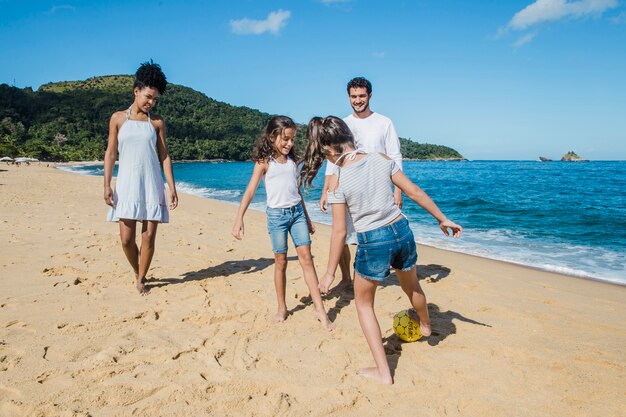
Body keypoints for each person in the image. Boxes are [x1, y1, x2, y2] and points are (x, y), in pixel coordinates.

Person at [300, 116, 462, 384]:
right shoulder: (380, 158)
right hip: (402, 231)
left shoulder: (338, 179)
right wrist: (441, 218)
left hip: (373, 240)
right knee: (412, 287)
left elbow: (340, 232)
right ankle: (425, 325)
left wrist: (329, 274)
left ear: (328, 150)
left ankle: (383, 372)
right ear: (349, 136)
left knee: (364, 305)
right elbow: (414, 191)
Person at [231, 116, 334, 331]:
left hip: (297, 214)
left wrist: (307, 218)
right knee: (281, 262)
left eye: (292, 140)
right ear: (272, 137)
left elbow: (296, 192)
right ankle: (282, 307)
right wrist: (239, 217)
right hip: (277, 217)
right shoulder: (264, 162)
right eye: (285, 139)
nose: (289, 144)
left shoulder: (292, 163)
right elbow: (250, 190)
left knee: (307, 259)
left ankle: (320, 309)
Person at [319, 77, 403, 293]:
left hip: (378, 189)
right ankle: (346, 278)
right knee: (341, 233)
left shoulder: (384, 122)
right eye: (354, 97)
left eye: (362, 96)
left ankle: (372, 273)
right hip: (345, 188)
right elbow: (333, 157)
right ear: (348, 97)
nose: (358, 100)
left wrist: (398, 190)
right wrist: (325, 190)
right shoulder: (344, 123)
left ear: (370, 96)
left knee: (373, 230)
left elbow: (395, 157)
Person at [104, 61, 178, 295]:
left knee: (148, 238)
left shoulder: (156, 122)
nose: (151, 102)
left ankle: (141, 278)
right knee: (126, 239)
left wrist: (172, 186)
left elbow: (164, 155)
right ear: (136, 91)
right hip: (126, 185)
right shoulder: (118, 119)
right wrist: (106, 184)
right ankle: (138, 270)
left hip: (152, 184)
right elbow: (111, 152)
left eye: (155, 99)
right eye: (148, 97)